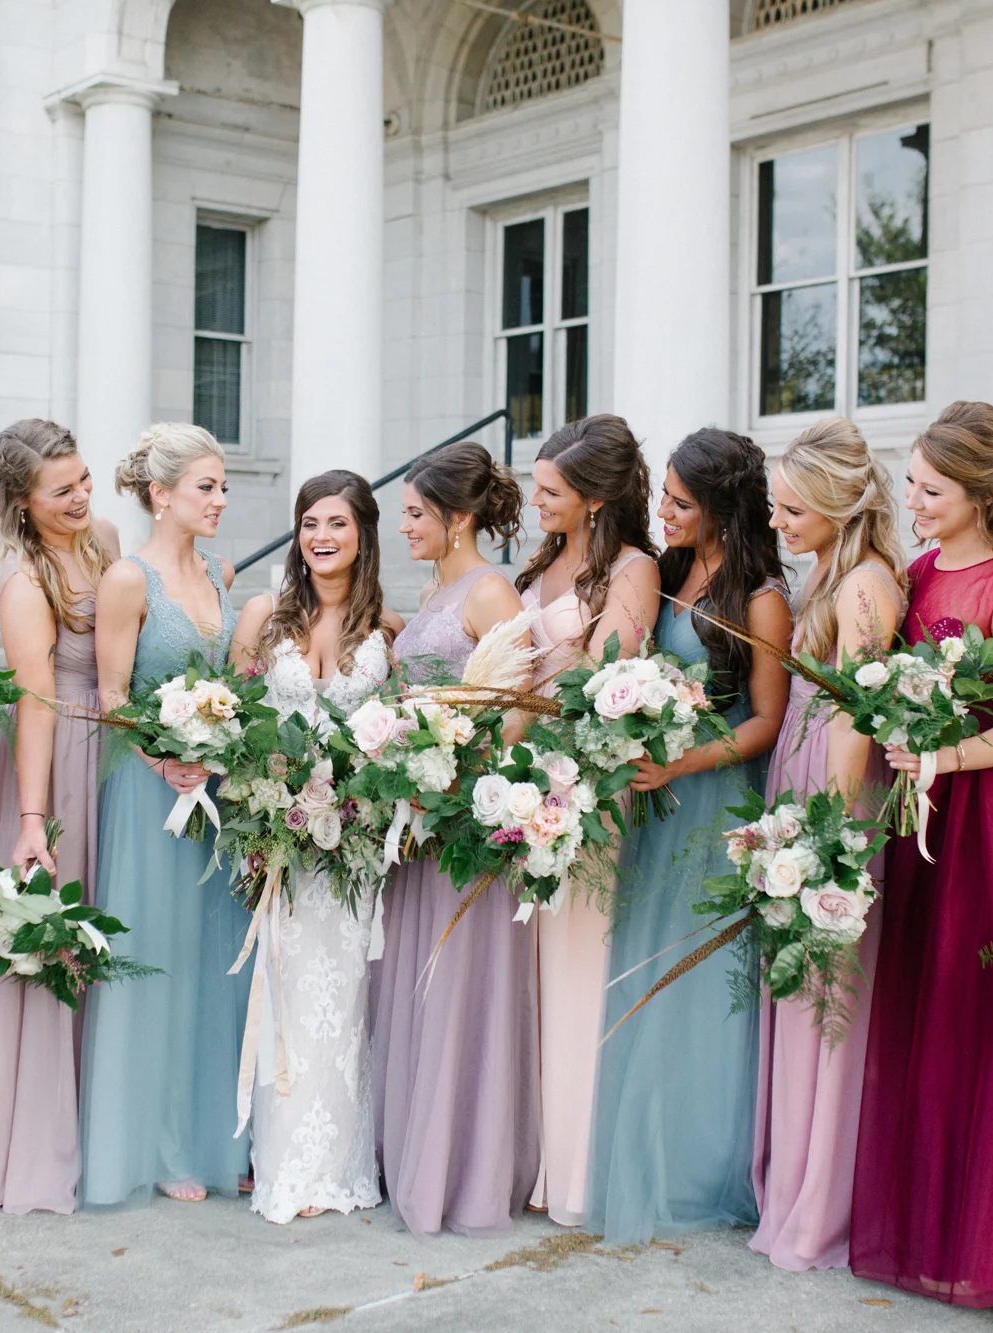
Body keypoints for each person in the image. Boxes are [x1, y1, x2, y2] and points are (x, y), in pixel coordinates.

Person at [851, 401, 993, 1308]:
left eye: (931, 490)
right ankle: (917, 1223)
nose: (914, 501)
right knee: (916, 1003)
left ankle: (983, 1240)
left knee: (975, 1009)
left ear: (979, 493)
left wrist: (946, 756)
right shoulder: (917, 575)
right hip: (920, 809)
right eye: (911, 484)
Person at [584, 427, 791, 1244]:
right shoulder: (666, 574)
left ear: (721, 508)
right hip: (657, 796)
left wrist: (682, 762)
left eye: (679, 501)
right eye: (663, 497)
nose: (663, 512)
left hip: (717, 802)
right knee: (648, 964)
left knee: (703, 979)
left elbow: (767, 720)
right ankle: (647, 1144)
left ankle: (702, 1165)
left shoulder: (761, 597)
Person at [367, 440, 540, 1237]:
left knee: (458, 987)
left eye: (415, 513)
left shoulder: (492, 590)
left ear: (458, 516)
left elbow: (517, 715)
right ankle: (413, 1149)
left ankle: (458, 1169)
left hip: (463, 824)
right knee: (416, 986)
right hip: (418, 821)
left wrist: (451, 774)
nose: (403, 525)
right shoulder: (438, 586)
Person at [80, 422, 251, 1208]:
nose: (220, 500)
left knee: (212, 963)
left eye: (223, 487)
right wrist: (164, 760)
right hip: (149, 791)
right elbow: (112, 695)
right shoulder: (128, 579)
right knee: (155, 959)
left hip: (212, 793)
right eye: (206, 487)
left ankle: (213, 1135)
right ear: (161, 493)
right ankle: (155, 1143)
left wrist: (220, 745)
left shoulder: (219, 573)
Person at [750, 418, 905, 1269]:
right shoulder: (828, 571)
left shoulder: (864, 588)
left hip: (834, 797)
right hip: (798, 774)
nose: (778, 522)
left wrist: (829, 843)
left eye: (792, 509)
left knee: (827, 995)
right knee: (801, 991)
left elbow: (856, 717)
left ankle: (818, 1203)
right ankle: (790, 1185)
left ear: (840, 507)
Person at [0, 419, 120, 1215]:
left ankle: (110, 1117)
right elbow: (36, 701)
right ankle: (44, 1140)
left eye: (84, 478)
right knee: (62, 937)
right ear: (23, 501)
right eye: (62, 490)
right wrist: (30, 816)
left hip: (118, 751)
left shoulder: (106, 539)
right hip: (58, 762)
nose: (82, 496)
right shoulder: (24, 581)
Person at [228, 470, 401, 1224]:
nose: (321, 537)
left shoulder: (387, 629)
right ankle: (286, 1167)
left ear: (363, 534)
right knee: (291, 997)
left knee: (348, 998)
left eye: (337, 523)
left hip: (355, 844)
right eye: (309, 524)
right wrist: (265, 802)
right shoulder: (265, 617)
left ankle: (341, 1166)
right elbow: (234, 723)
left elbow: (399, 734)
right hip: (286, 842)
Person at [512, 413, 662, 1228]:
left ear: (596, 499)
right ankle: (524, 1155)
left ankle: (572, 1171)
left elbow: (600, 689)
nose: (535, 502)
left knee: (575, 976)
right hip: (521, 784)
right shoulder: (544, 560)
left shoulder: (633, 571)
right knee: (527, 979)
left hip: (584, 792)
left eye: (550, 491)